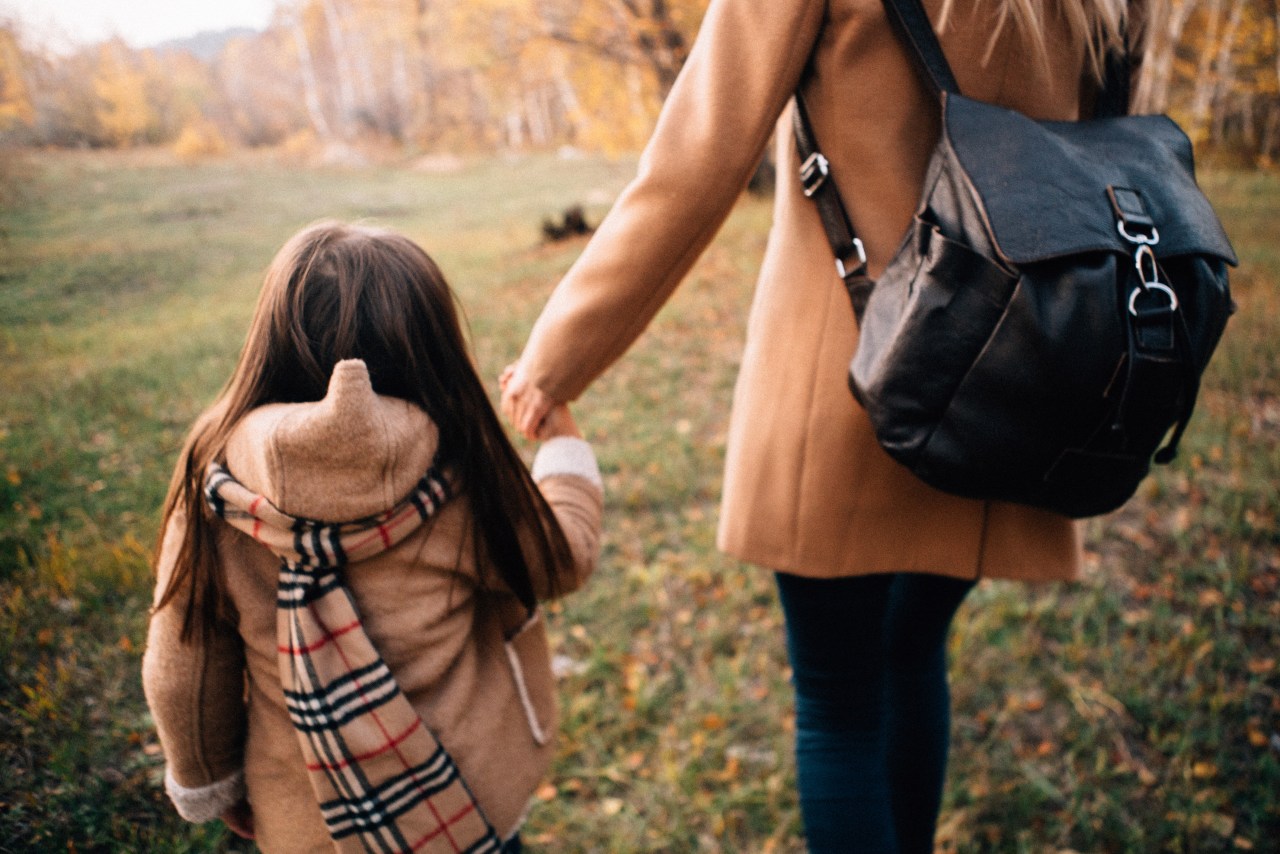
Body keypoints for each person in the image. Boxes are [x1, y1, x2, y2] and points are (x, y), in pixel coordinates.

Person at [500, 0, 1143, 850]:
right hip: (1014, 377)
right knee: (911, 653)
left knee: (840, 702)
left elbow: (694, 164)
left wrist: (555, 361)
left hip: (852, 377)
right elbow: (1100, 159)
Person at [142, 221, 604, 853]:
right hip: (466, 808)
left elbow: (184, 666)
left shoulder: (212, 478)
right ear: (435, 350)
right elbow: (559, 561)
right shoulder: (460, 469)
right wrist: (563, 446)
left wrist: (210, 784)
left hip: (306, 824)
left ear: (270, 344)